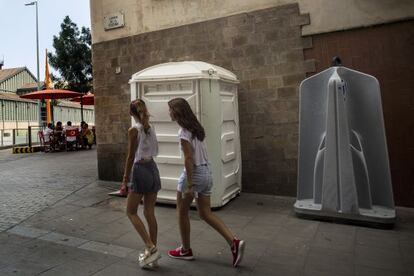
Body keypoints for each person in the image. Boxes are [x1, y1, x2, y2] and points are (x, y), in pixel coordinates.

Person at [167, 98, 245, 267]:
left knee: (181, 212)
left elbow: (188, 159)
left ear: (178, 112)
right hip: (206, 172)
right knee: (205, 213)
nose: (169, 113)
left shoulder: (183, 132)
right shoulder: (197, 129)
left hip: (194, 174)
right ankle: (234, 242)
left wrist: (189, 185)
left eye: (170, 109)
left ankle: (185, 250)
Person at [121, 99, 161, 268]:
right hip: (152, 168)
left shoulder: (133, 130)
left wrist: (124, 177)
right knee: (149, 212)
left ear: (131, 113)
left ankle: (150, 247)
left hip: (139, 170)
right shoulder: (150, 128)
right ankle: (152, 253)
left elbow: (130, 157)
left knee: (130, 211)